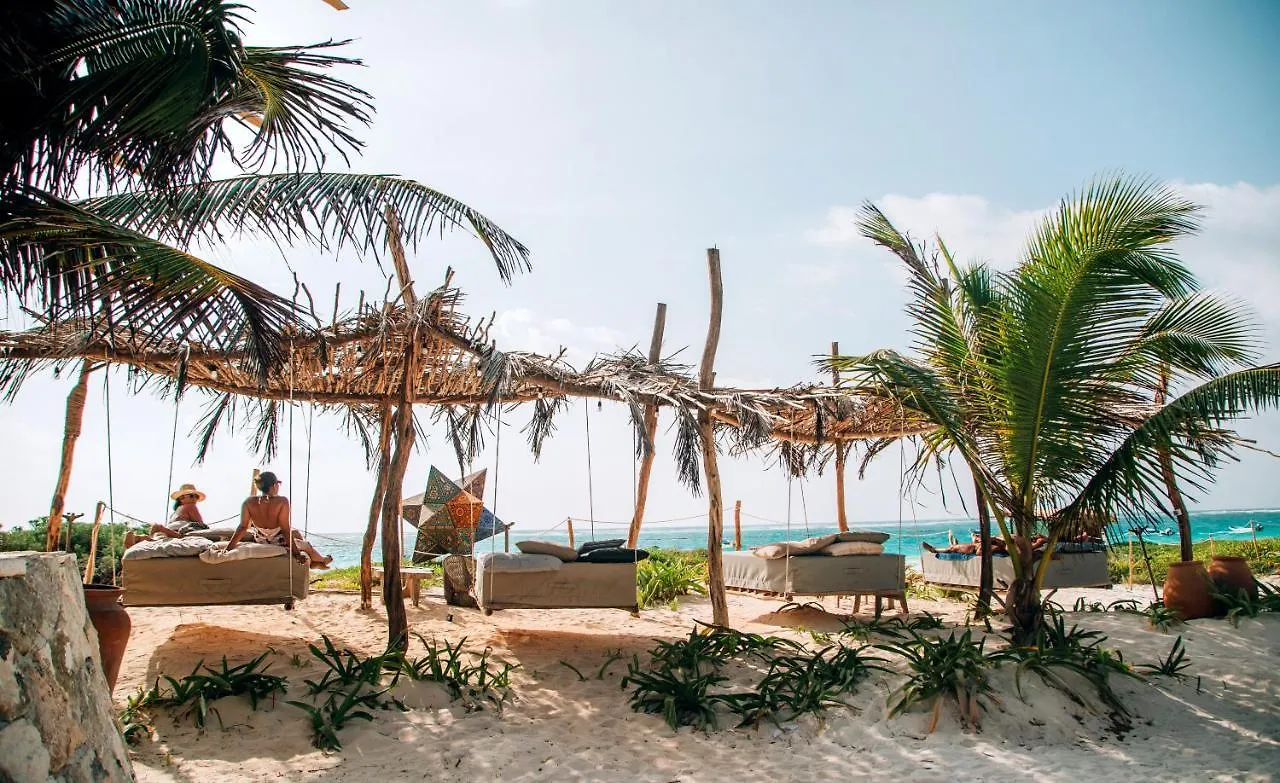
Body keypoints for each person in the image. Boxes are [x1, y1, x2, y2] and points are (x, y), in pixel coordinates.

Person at [228, 471, 332, 569]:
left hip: (261, 539)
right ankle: (322, 561)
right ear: (274, 486)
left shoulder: (248, 502)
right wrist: (297, 554)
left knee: (296, 532)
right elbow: (285, 530)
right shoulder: (282, 501)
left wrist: (228, 549)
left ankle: (315, 563)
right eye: (278, 484)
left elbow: (242, 527)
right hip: (278, 541)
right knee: (306, 545)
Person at [124, 483, 209, 548]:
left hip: (179, 533)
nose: (194, 498)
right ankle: (139, 539)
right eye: (191, 496)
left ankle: (140, 539)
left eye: (196, 496)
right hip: (173, 533)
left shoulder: (189, 507)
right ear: (181, 498)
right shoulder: (181, 509)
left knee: (157, 527)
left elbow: (200, 524)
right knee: (157, 533)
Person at [923, 531, 1008, 556]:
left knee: (952, 549)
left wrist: (983, 543)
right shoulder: (996, 542)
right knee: (953, 547)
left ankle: (935, 550)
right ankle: (936, 549)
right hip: (973, 546)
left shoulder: (997, 546)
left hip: (971, 549)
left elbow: (979, 553)